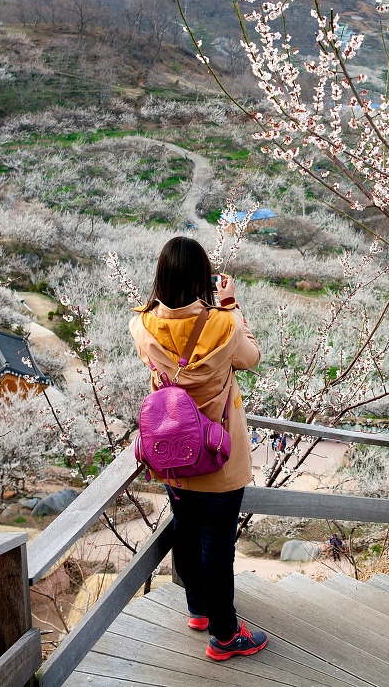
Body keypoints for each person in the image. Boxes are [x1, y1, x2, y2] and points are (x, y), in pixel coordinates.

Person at [130, 236, 268, 660]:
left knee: (186, 532)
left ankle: (198, 610)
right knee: (217, 545)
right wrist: (230, 305)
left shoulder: (141, 325)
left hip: (173, 456)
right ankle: (226, 634)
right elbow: (251, 357)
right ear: (200, 278)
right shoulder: (222, 325)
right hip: (218, 456)